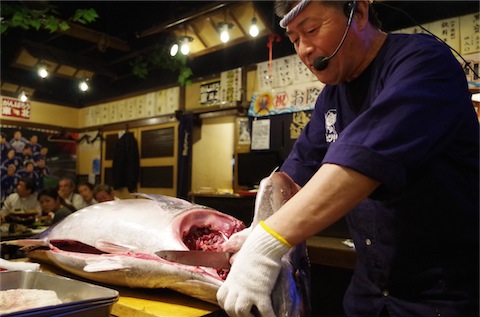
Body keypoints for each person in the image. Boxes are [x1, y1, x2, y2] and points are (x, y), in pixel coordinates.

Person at [216, 1, 479, 317]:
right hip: (369, 294)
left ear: (360, 12)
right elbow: (294, 175)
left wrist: (266, 245)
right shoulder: (331, 97)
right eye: (295, 39)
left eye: (312, 30)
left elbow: (361, 162)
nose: (304, 50)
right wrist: (260, 225)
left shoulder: (423, 62)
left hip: (444, 295)